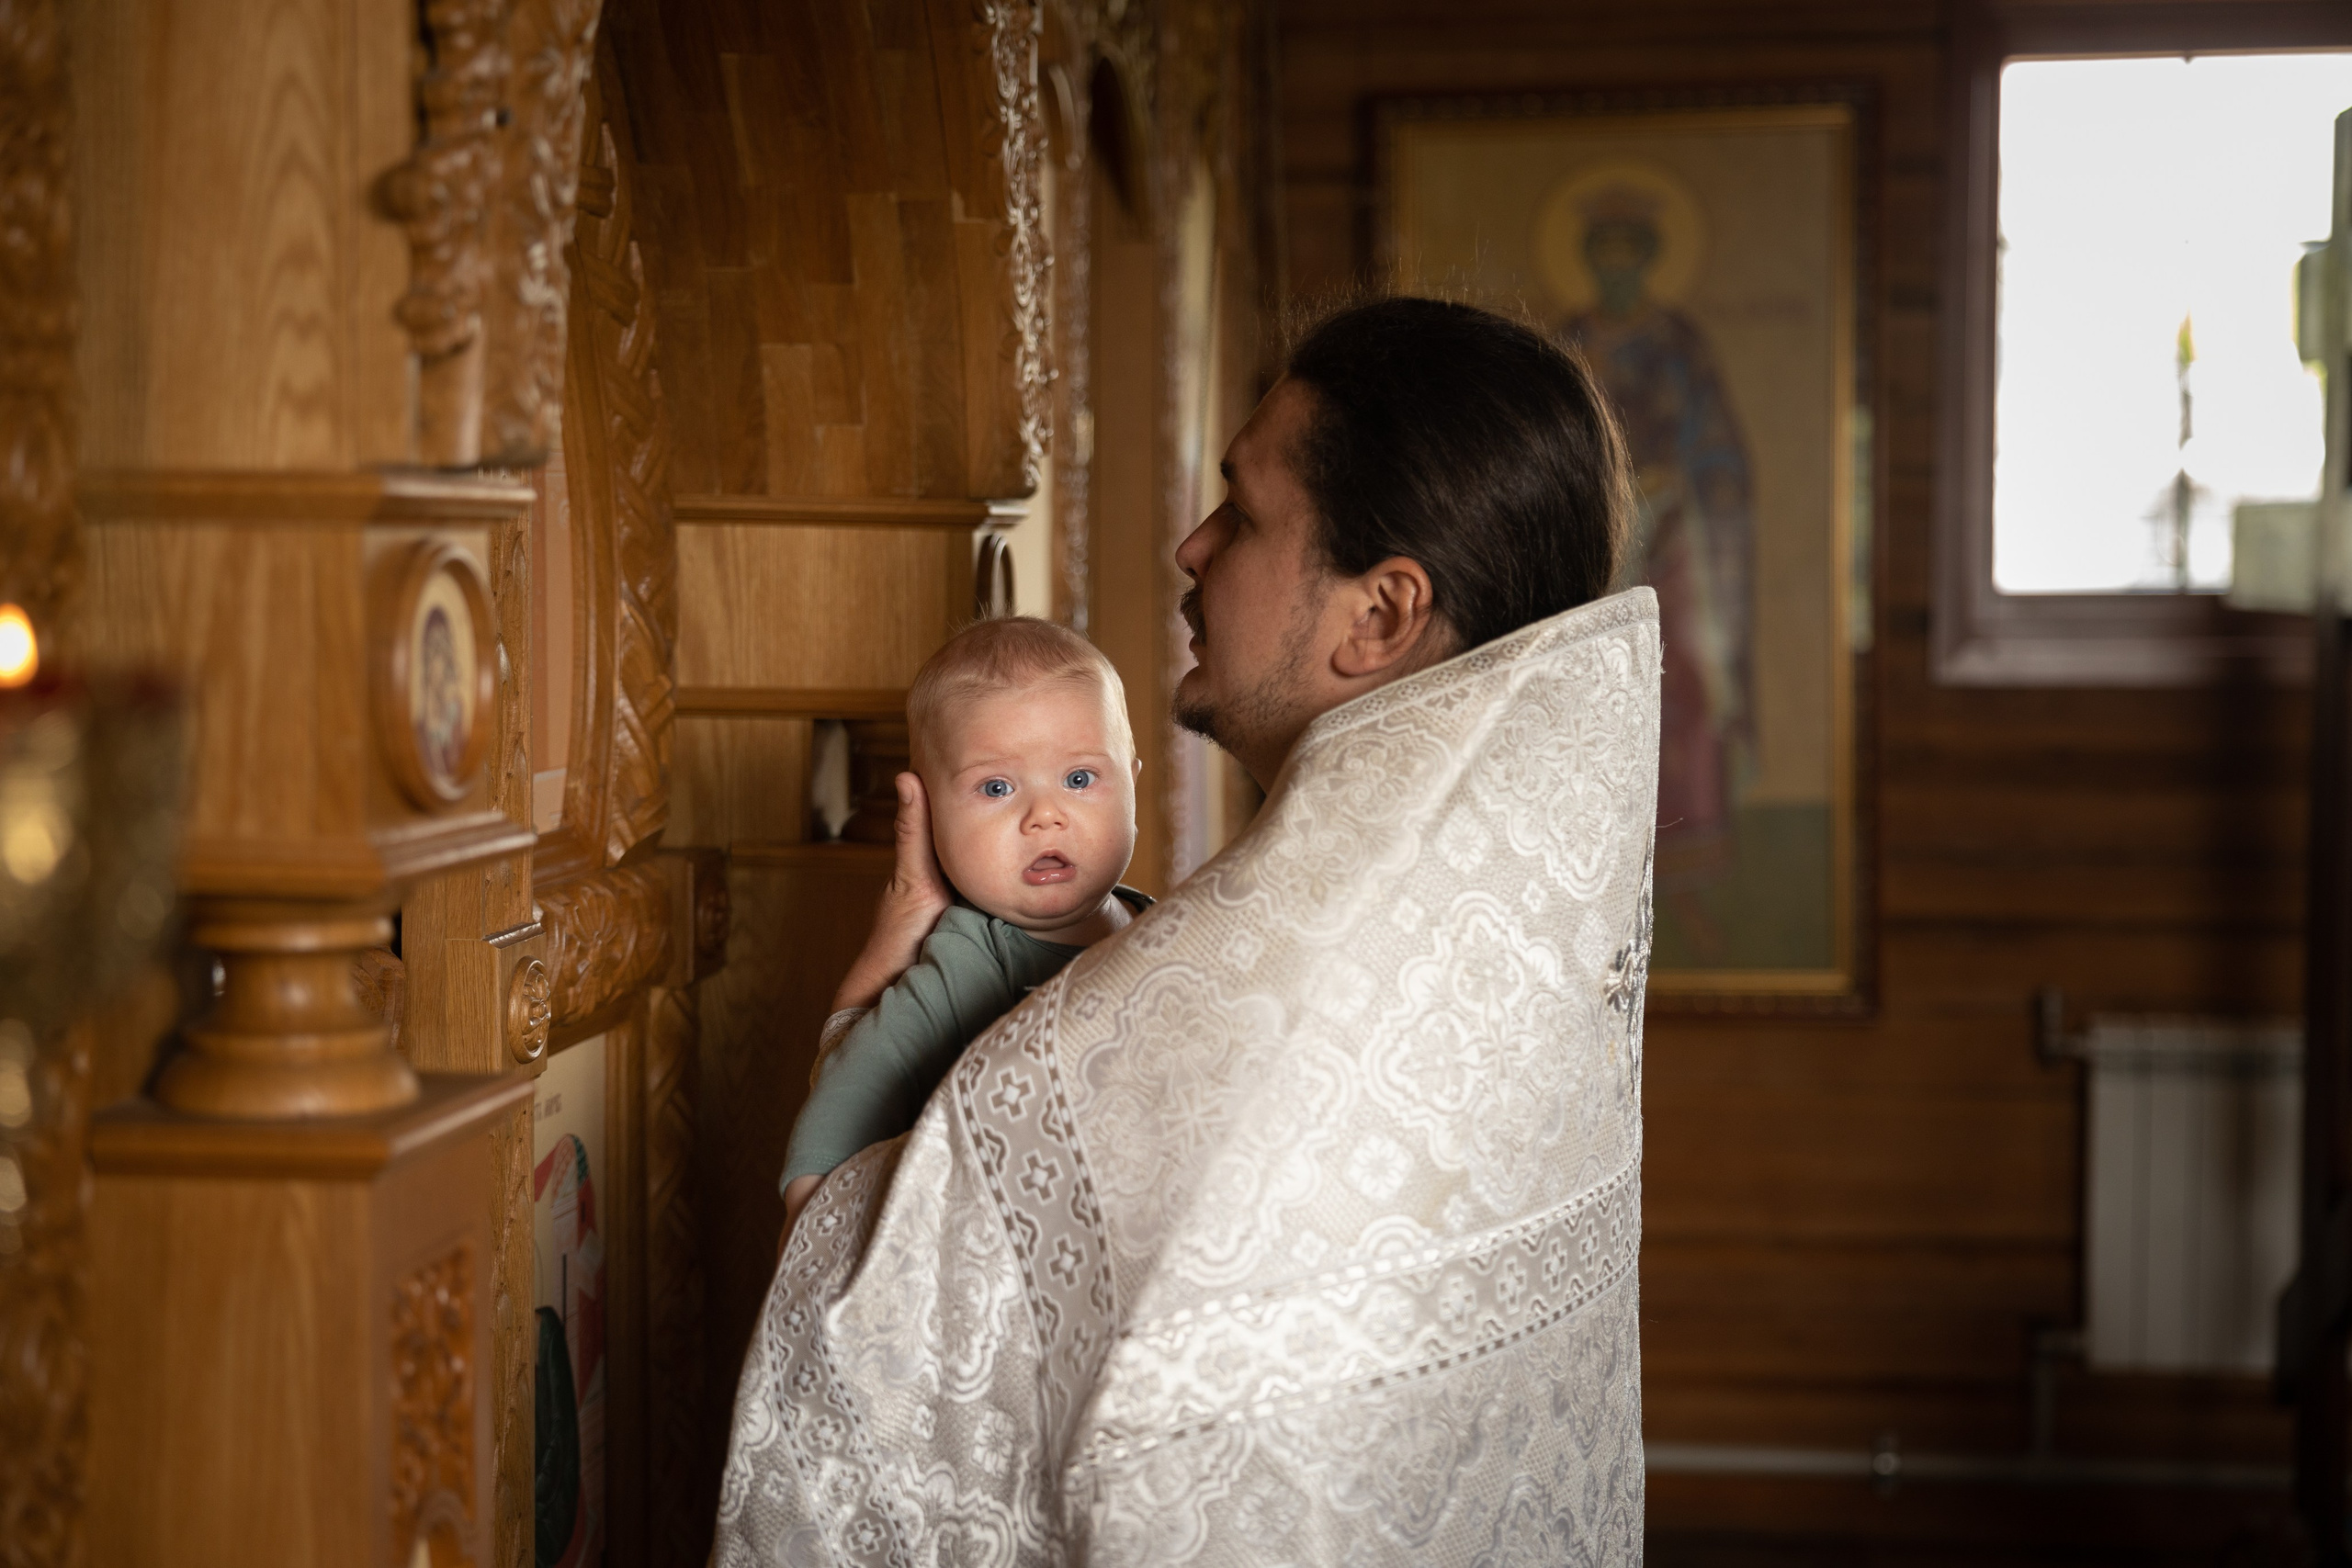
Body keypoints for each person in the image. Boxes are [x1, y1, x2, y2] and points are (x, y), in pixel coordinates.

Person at [717, 296, 1659, 1566]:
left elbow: (850, 1315)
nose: (1191, 542)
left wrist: (859, 1015)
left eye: (1244, 510)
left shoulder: (1261, 999)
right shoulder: (1508, 950)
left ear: (1378, 614)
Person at [777, 617, 1151, 1234]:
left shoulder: (1157, 926)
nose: (1045, 815)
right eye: (996, 786)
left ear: (1132, 786)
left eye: (1080, 779)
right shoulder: (971, 956)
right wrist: (813, 1197)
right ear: (928, 818)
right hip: (1002, 1232)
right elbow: (866, 1078)